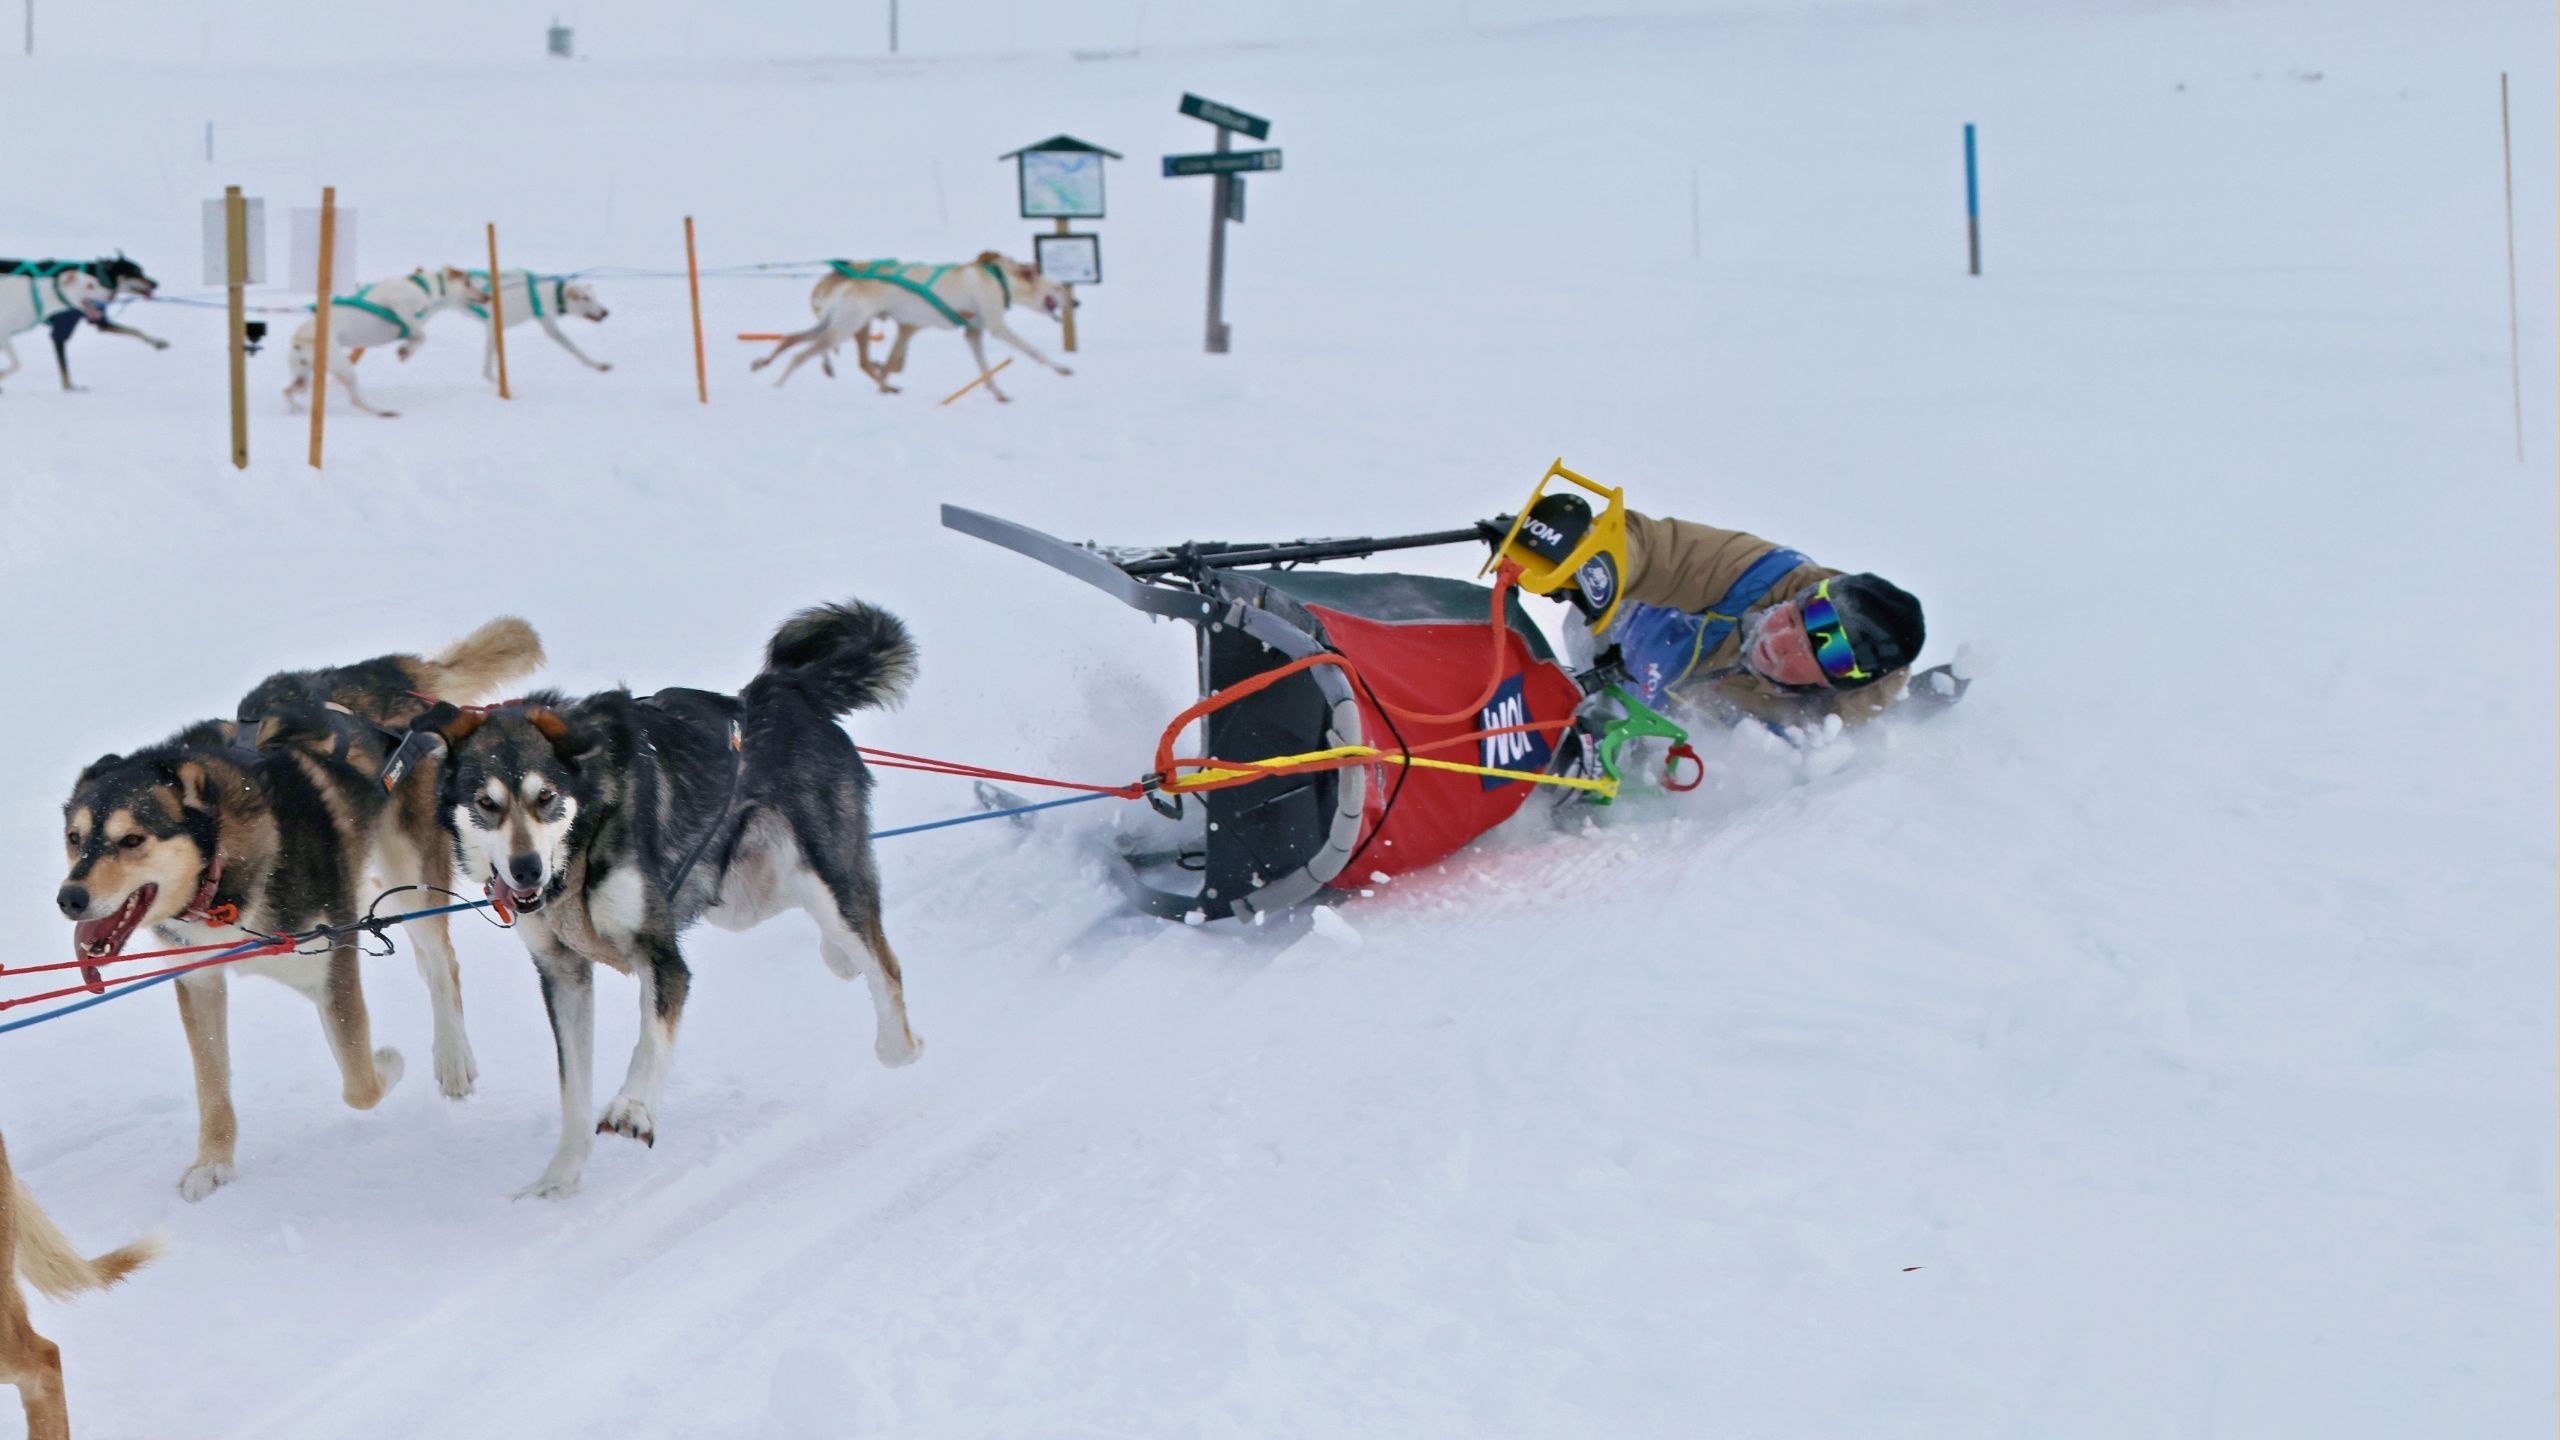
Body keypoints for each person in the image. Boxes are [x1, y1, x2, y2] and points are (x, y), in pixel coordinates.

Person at [1500, 493, 1932, 734]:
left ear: (1832, 682)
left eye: (1807, 651)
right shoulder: (1758, 575)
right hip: (1611, 630)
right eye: (1796, 617)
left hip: (1652, 725)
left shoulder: (1826, 726)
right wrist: (1589, 559)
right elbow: (1654, 548)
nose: (1778, 641)